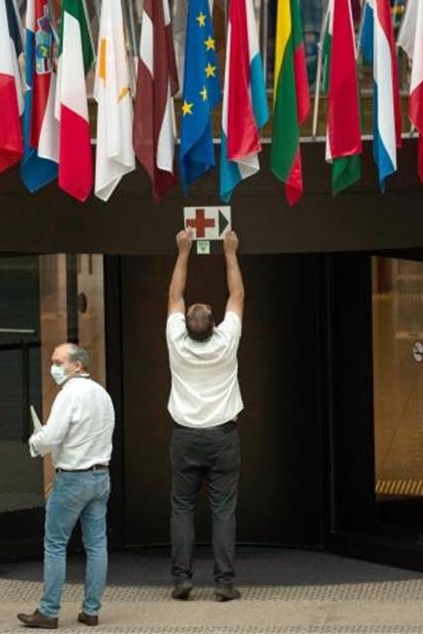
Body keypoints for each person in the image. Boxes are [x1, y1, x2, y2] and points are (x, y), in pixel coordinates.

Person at [165, 227, 245, 602]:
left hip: (185, 437)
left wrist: (183, 252)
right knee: (222, 511)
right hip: (223, 438)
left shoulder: (176, 341)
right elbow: (237, 295)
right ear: (214, 323)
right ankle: (224, 583)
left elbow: (174, 294)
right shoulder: (227, 341)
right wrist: (230, 252)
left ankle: (182, 579)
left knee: (182, 508)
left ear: (186, 325)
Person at [18, 343, 116, 630]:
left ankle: (48, 611)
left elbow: (53, 436)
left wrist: (35, 442)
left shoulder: (68, 395)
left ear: (77, 365)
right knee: (97, 545)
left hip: (72, 478)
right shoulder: (102, 394)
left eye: (59, 362)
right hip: (101, 476)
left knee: (55, 544)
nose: (54, 367)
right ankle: (91, 610)